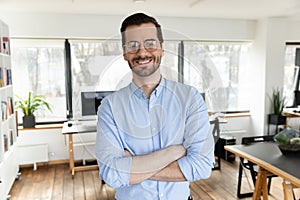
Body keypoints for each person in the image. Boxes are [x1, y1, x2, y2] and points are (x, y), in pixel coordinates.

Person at [95, 12, 215, 200]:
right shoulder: (109, 107)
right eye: (133, 45)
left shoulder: (190, 98)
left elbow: (201, 166)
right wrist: (174, 152)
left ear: (161, 49)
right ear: (125, 53)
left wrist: (130, 165)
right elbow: (111, 175)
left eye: (150, 43)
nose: (142, 52)